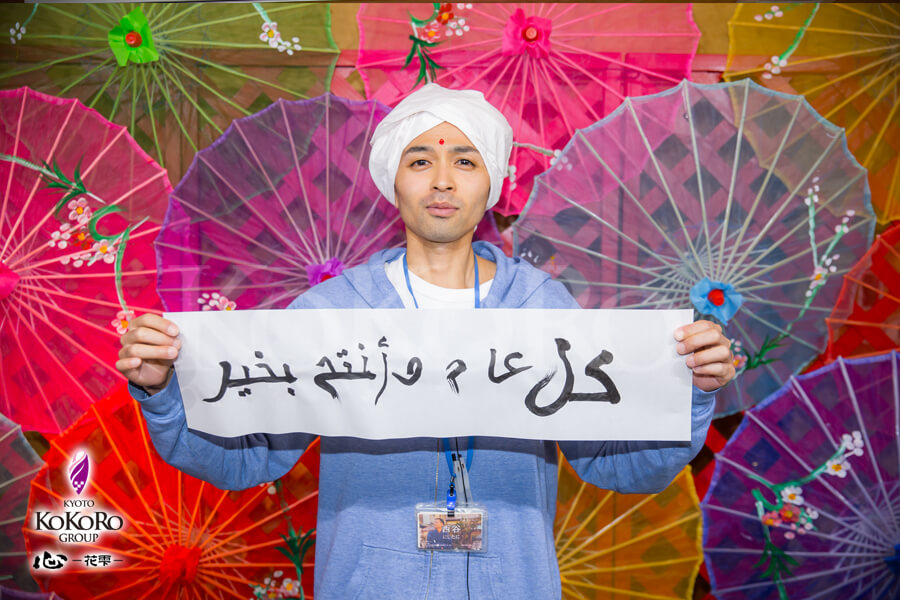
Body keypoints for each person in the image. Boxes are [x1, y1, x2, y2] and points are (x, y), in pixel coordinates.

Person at [118, 84, 734, 599]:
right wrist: (164, 391)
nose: (442, 180)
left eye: (465, 162)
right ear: (394, 181)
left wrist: (689, 391)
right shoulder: (333, 313)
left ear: (491, 183)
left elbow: (619, 463)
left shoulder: (542, 308)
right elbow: (243, 458)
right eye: (419, 162)